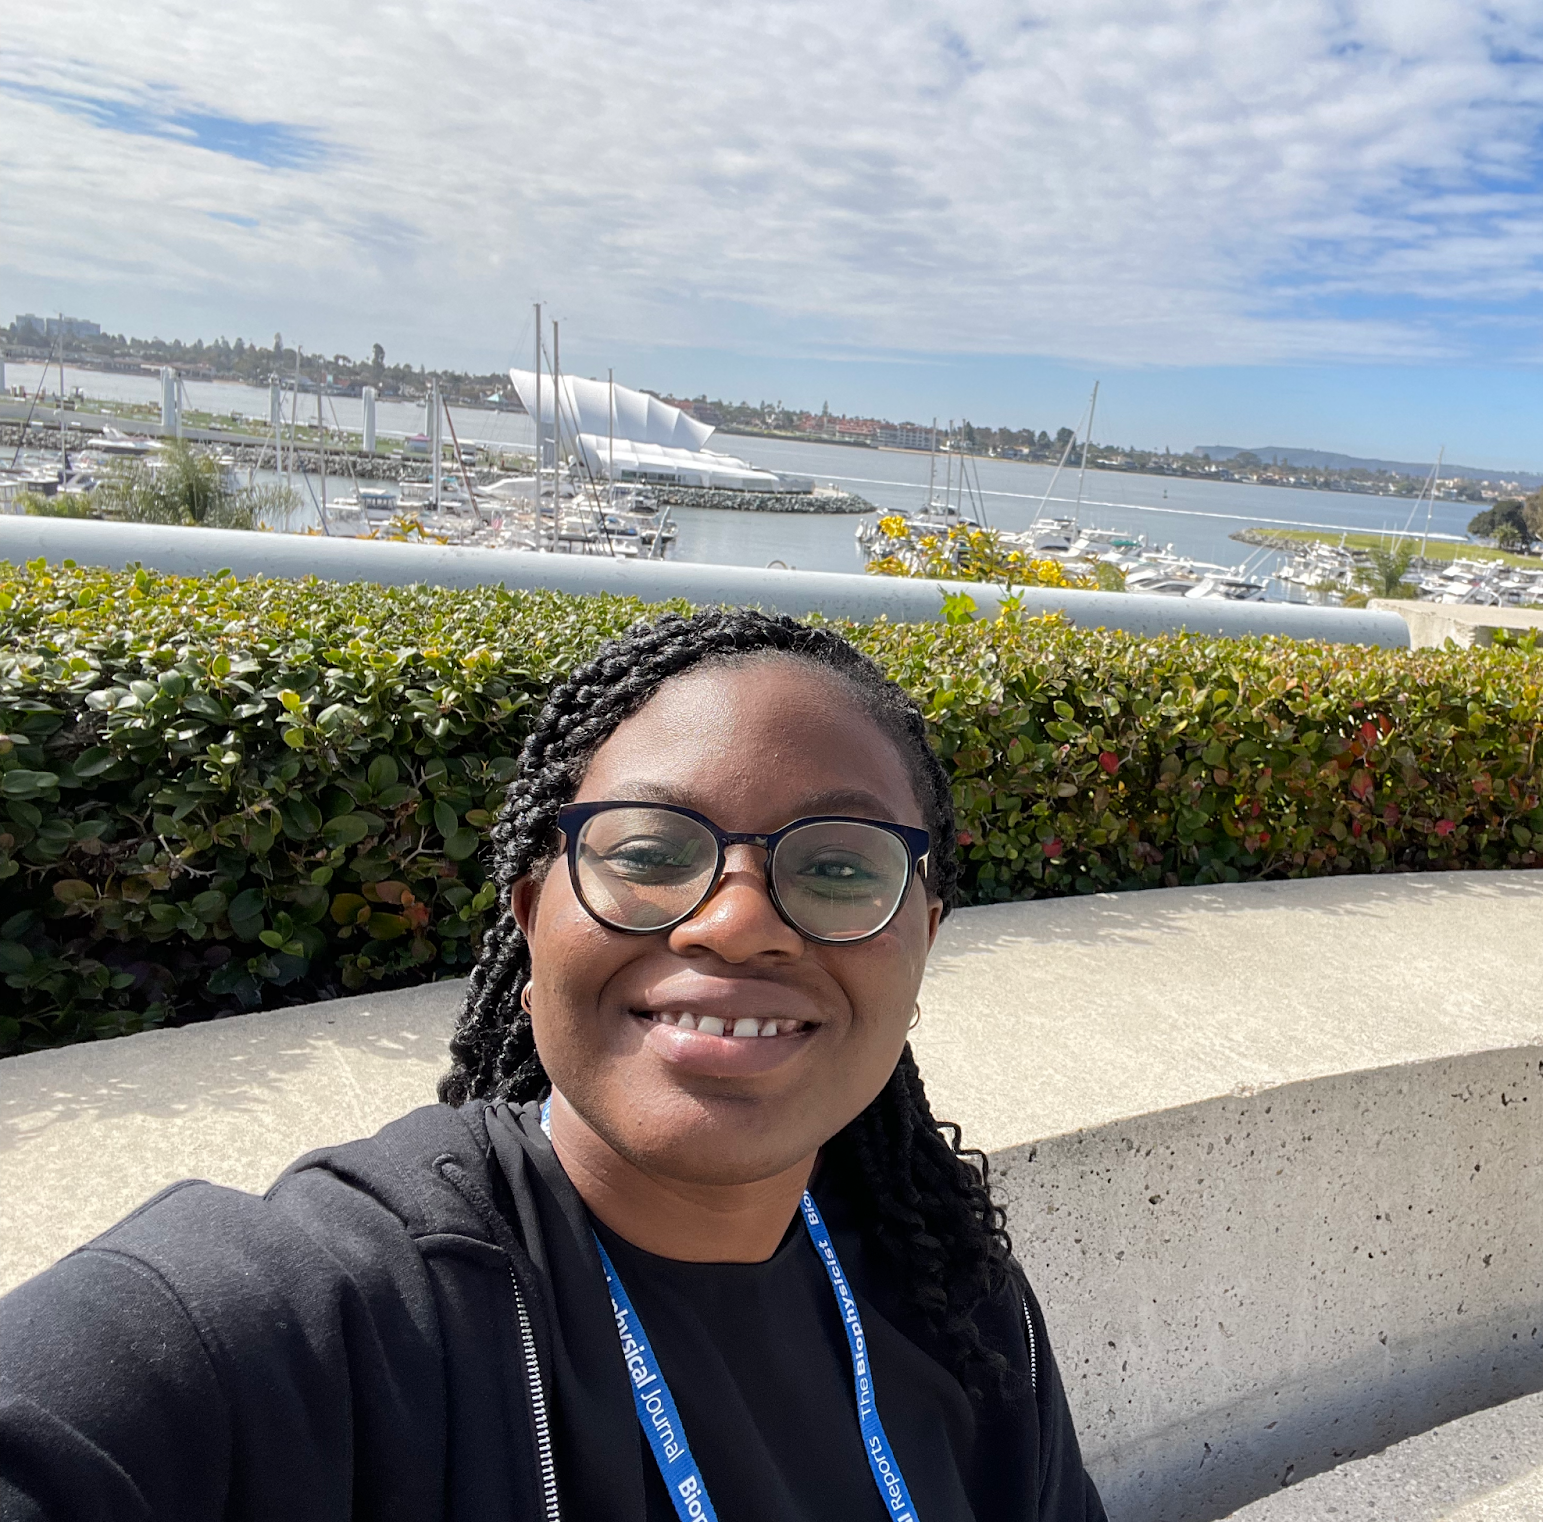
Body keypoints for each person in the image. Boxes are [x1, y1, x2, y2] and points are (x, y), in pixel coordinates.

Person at [0, 607, 1106, 1522]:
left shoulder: (958, 1306)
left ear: (923, 943)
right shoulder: (339, 1315)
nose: (735, 922)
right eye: (649, 853)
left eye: (836, 868)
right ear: (532, 920)